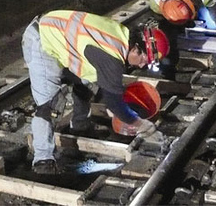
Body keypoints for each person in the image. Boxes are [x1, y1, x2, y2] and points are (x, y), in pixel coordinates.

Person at [22, 10, 170, 175]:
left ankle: (80, 127)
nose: (142, 66)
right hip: (42, 39)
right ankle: (43, 160)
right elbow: (113, 102)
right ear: (136, 49)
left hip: (61, 37)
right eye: (144, 60)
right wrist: (142, 125)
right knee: (49, 105)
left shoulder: (123, 35)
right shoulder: (112, 57)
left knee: (87, 84)